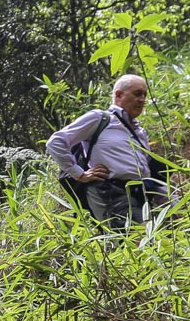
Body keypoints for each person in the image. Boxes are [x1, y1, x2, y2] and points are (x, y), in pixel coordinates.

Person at [45, 72, 170, 227]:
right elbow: (56, 142)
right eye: (137, 94)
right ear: (119, 95)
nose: (142, 100)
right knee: (135, 240)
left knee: (150, 240)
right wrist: (79, 174)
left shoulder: (139, 132)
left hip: (140, 194)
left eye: (145, 95)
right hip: (110, 192)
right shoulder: (100, 119)